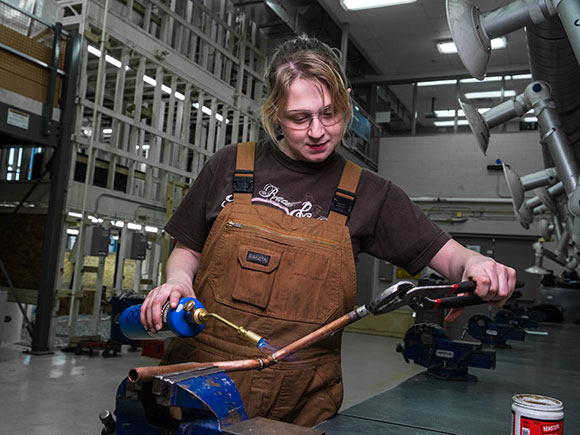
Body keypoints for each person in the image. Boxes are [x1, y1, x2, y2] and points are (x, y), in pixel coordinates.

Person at [140, 35, 516, 427]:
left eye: (331, 113)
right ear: (274, 113)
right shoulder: (229, 166)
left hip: (301, 399)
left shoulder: (370, 194)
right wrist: (178, 282)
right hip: (200, 382)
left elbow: (450, 255)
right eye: (299, 118)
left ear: (347, 101)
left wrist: (478, 264)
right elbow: (189, 247)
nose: (318, 131)